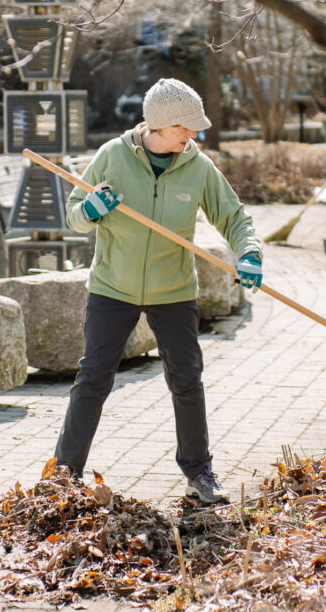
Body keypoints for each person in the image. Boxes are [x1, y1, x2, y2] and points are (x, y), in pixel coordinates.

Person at [52, 78, 263, 504]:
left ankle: (199, 471)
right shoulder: (112, 156)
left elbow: (235, 217)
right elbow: (73, 214)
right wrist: (90, 211)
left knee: (187, 381)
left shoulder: (198, 166)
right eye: (185, 128)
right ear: (159, 125)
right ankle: (64, 475)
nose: (193, 135)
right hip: (112, 288)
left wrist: (250, 254)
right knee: (93, 379)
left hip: (174, 291)